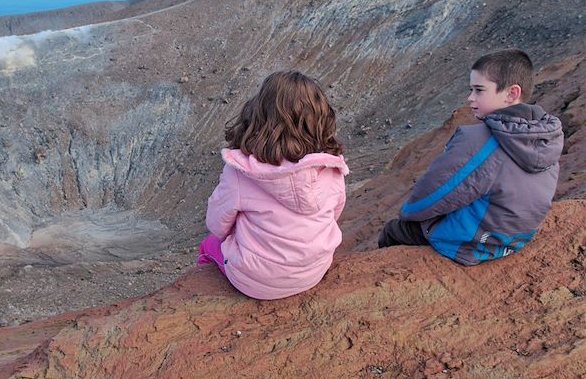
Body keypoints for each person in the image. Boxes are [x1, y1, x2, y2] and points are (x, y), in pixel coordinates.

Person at [378, 49, 563, 265]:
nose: (470, 98)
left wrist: (408, 214)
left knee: (394, 230)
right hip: (514, 239)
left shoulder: (478, 140)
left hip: (474, 243)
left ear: (511, 94)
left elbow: (436, 193)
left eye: (479, 90)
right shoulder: (546, 137)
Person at [197, 70, 348, 299]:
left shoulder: (241, 172)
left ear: (258, 116)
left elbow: (216, 225)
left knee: (208, 246)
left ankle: (203, 295)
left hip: (254, 282)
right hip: (313, 271)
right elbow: (334, 214)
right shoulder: (331, 168)